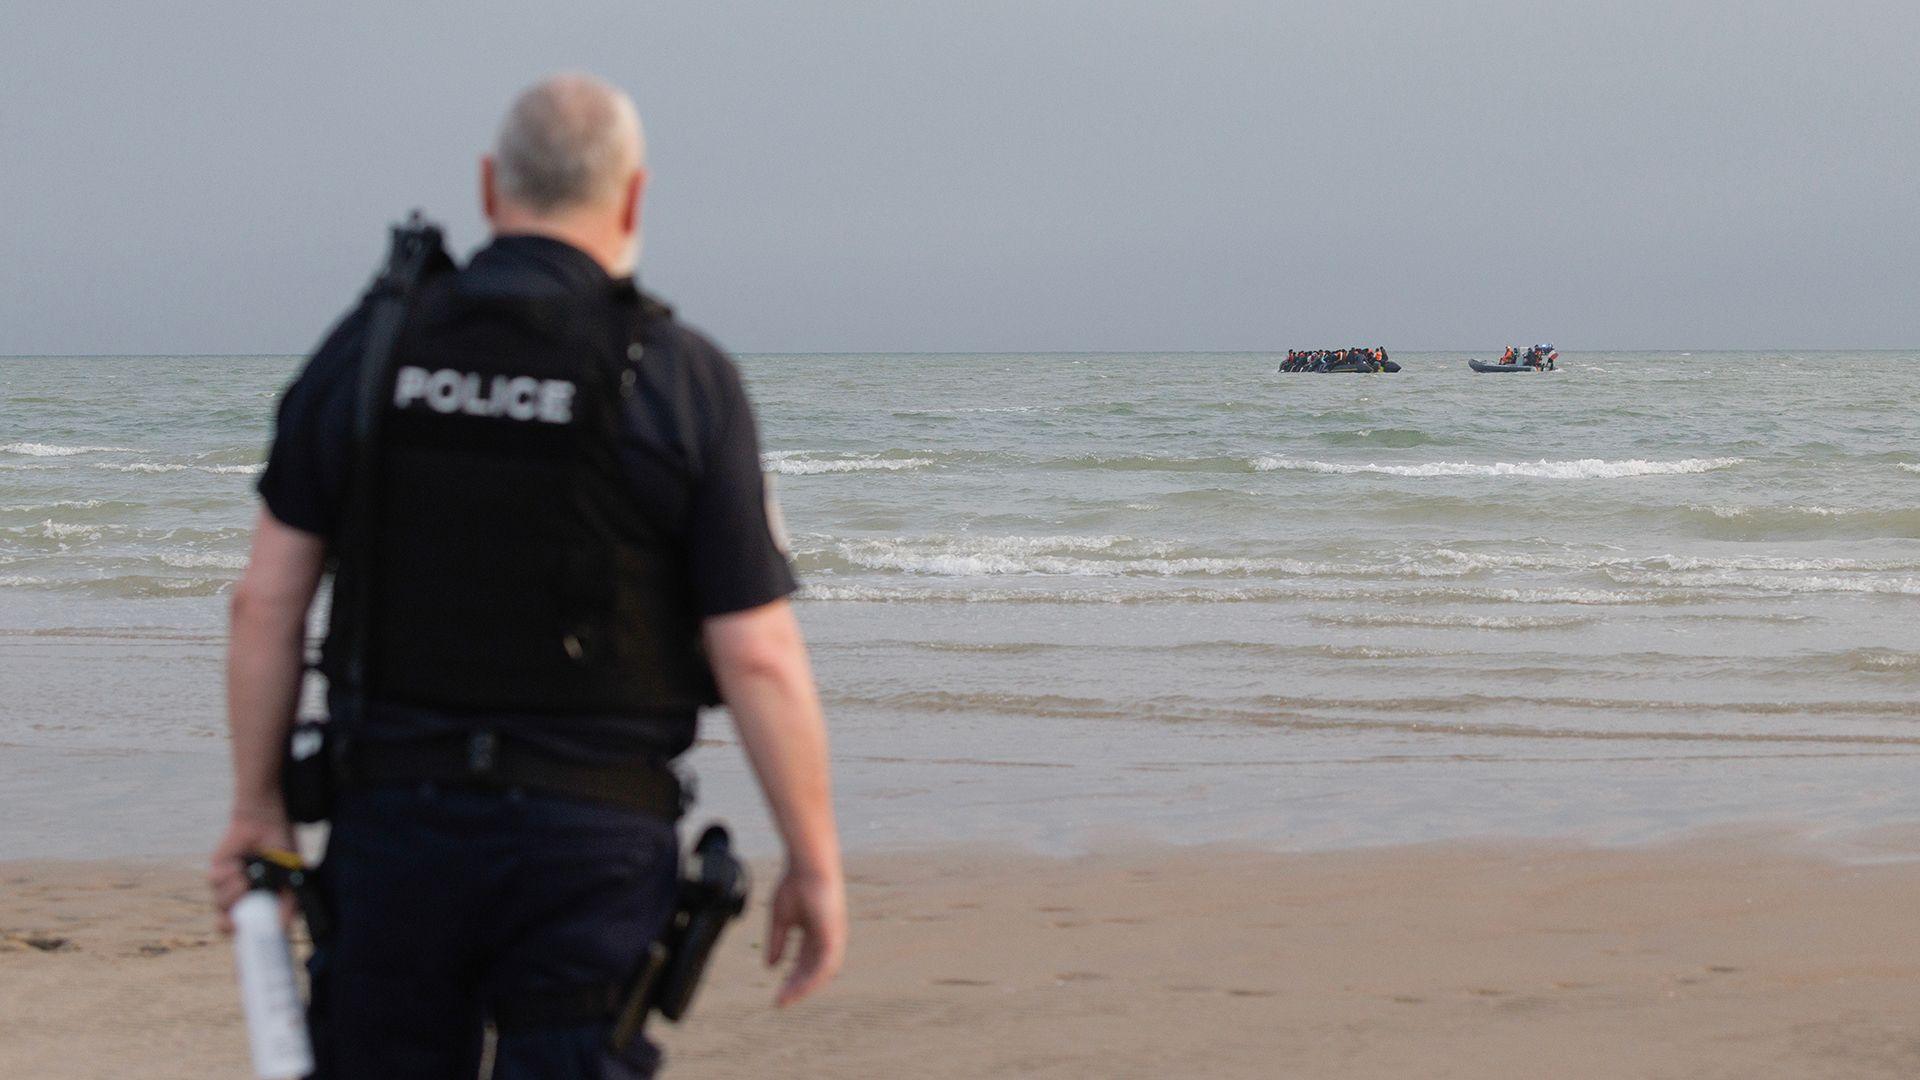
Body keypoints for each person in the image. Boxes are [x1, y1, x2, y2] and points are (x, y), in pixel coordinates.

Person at [207, 73, 846, 1078]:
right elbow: (759, 655)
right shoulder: (680, 376)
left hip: (396, 833)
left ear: (488, 187)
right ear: (633, 198)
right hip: (588, 845)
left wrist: (257, 808)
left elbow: (266, 603)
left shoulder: (372, 351)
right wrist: (813, 860)